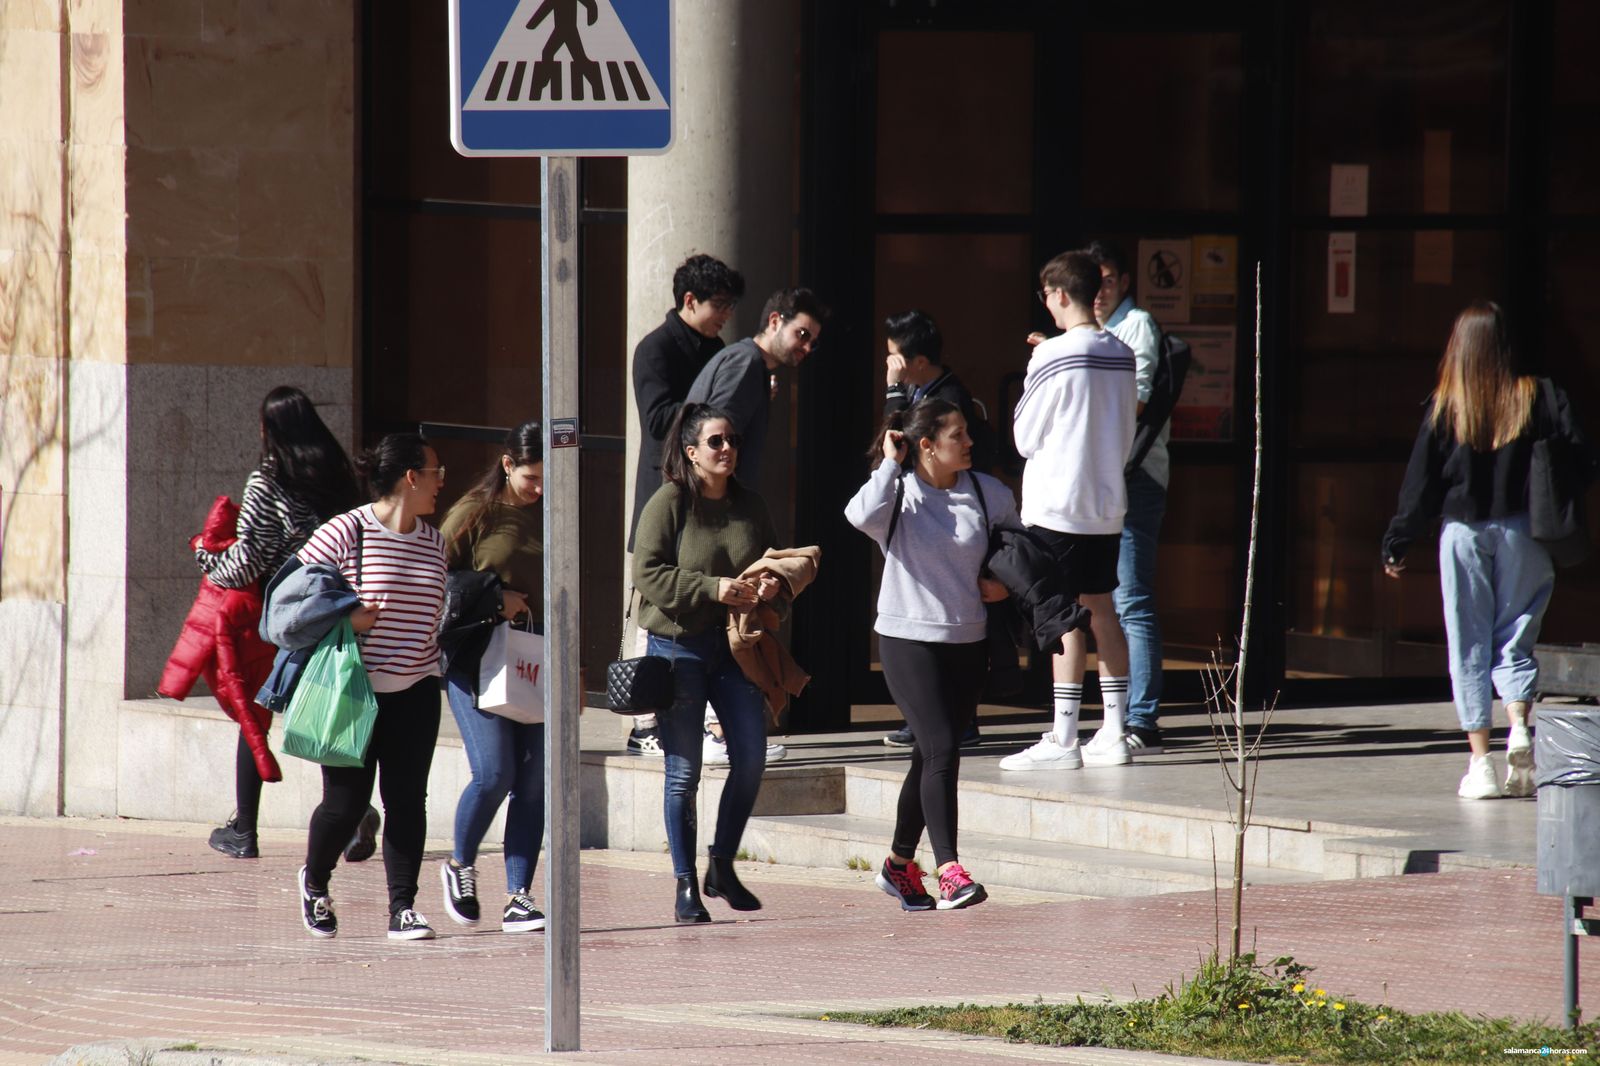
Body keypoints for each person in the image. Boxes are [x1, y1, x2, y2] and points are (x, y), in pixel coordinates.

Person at [1382, 301, 1593, 799]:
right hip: (1526, 531)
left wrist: (1397, 540)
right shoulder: (1540, 396)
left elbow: (1419, 486)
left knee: (1469, 644)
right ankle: (1520, 725)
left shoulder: (1446, 406)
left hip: (1463, 535)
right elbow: (1583, 459)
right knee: (1516, 635)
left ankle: (1481, 764)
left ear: (1460, 348)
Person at [846, 398, 1015, 911]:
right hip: (907, 639)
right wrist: (889, 463)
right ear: (927, 445)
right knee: (943, 747)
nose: (970, 442)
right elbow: (857, 515)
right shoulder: (898, 493)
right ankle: (949, 870)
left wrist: (1004, 585)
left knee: (929, 756)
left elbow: (1021, 549)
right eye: (958, 435)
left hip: (969, 640)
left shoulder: (988, 493)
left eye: (968, 433)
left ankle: (899, 867)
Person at [189, 385, 362, 860]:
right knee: (330, 711)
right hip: (338, 610)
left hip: (281, 617)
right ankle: (353, 815)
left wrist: (206, 556)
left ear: (268, 429)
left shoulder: (268, 481)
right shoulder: (339, 476)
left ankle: (245, 831)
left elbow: (249, 560)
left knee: (254, 718)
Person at [294, 432, 449, 940]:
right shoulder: (347, 530)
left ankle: (402, 907)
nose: (440, 483)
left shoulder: (435, 541)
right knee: (345, 806)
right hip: (354, 691)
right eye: (435, 473)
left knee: (407, 802)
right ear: (411, 477)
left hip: (418, 689)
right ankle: (315, 882)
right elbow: (294, 599)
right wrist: (347, 617)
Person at [633, 403, 783, 923]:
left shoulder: (751, 505)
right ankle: (685, 886)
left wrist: (769, 587)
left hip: (735, 649)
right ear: (692, 452)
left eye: (733, 440)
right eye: (716, 442)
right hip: (679, 649)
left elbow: (773, 566)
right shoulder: (670, 502)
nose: (727, 449)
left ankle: (721, 865)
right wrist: (711, 587)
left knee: (751, 758)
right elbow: (646, 572)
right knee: (684, 771)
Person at [999, 250, 1138, 772]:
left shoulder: (1052, 355)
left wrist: (1043, 360)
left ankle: (1063, 737)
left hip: (1058, 503)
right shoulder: (1123, 353)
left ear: (1059, 294)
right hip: (1106, 502)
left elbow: (1023, 436)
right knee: (1102, 610)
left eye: (1047, 295)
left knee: (1062, 617)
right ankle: (1116, 730)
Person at [685, 287, 827, 765]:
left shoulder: (747, 366)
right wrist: (722, 504)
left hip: (718, 509)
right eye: (801, 334)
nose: (805, 347)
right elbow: (713, 429)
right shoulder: (745, 364)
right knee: (730, 619)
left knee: (732, 619)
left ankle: (717, 729)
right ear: (773, 322)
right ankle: (716, 731)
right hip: (715, 513)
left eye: (812, 341)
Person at [626, 254, 745, 758]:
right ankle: (642, 725)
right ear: (689, 301)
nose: (724, 316)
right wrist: (710, 406)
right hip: (668, 499)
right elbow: (657, 421)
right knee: (652, 611)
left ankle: (707, 727)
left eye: (729, 307)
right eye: (718, 305)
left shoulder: (715, 347)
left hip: (706, 505)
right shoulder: (655, 349)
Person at [436, 423, 548, 933]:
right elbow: (434, 580)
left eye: (550, 477)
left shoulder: (557, 514)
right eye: (531, 477)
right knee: (495, 772)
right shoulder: (473, 514)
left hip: (536, 657)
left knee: (534, 782)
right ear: (508, 465)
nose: (541, 488)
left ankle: (519, 895)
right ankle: (460, 864)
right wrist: (493, 598)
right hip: (475, 661)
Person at [876, 310, 992, 749]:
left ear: (918, 361)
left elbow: (893, 437)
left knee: (949, 618)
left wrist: (891, 392)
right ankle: (934, 720)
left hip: (947, 519)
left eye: (894, 357)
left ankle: (952, 723)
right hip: (921, 515)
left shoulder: (946, 398)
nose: (890, 364)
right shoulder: (924, 388)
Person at [1088, 240, 1169, 756]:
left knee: (1131, 597)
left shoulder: (1135, 325)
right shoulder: (1095, 331)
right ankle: (1121, 715)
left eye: (1109, 281)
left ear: (1124, 283)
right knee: (1104, 599)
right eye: (1092, 282)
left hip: (1134, 476)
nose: (1100, 292)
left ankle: (1142, 719)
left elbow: (1134, 402)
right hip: (1106, 475)